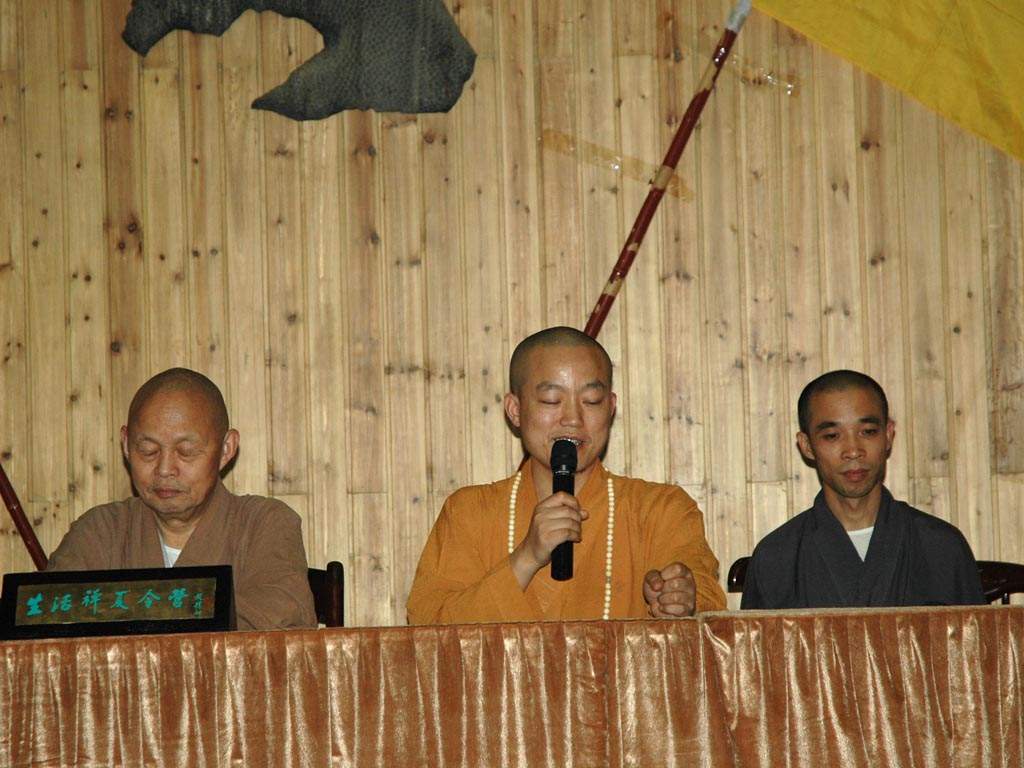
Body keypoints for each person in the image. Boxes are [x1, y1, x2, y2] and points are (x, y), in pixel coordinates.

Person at [407, 326, 726, 623]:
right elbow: (428, 626)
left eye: (591, 401)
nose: (573, 418)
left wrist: (683, 599)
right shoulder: (468, 512)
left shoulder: (660, 510)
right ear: (515, 410)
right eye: (551, 400)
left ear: (610, 407)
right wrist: (526, 557)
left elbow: (709, 601)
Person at [48, 368, 317, 630]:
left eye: (186, 452)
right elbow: (47, 617)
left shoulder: (264, 524)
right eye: (148, 450)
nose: (165, 469)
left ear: (226, 449)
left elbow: (281, 619)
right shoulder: (101, 530)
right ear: (126, 444)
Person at [741, 370, 986, 609]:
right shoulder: (776, 558)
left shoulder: (941, 547)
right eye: (832, 436)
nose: (853, 450)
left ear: (888, 435)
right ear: (806, 445)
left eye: (868, 432)